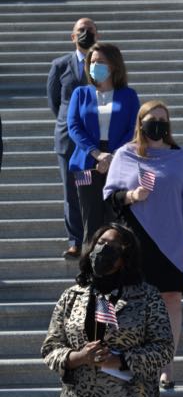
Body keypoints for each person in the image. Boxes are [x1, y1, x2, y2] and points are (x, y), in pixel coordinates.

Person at [103, 100, 183, 388]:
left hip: (174, 242)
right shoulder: (125, 155)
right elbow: (110, 198)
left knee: (171, 300)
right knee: (135, 303)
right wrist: (132, 196)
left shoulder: (181, 157)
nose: (158, 125)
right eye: (152, 119)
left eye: (163, 119)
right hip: (136, 241)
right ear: (141, 123)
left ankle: (166, 366)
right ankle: (134, 363)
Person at [41, 223, 174, 397]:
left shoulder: (147, 296)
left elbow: (164, 348)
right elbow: (50, 348)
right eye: (100, 242)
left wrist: (120, 361)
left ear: (124, 258)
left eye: (112, 246)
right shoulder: (72, 296)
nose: (103, 249)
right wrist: (79, 356)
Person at [67, 42, 140, 248]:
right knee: (90, 219)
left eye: (100, 62)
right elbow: (73, 127)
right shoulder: (80, 94)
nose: (94, 65)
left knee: (116, 219)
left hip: (119, 161)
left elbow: (133, 128)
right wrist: (97, 154)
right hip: (84, 165)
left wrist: (112, 157)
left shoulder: (129, 95)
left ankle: (117, 269)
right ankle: (89, 270)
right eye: (92, 62)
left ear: (114, 66)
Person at [47, 17, 98, 259]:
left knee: (91, 190)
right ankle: (75, 240)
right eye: (81, 30)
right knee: (71, 192)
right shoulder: (60, 65)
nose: (85, 33)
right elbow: (54, 101)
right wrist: (70, 121)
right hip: (68, 140)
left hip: (97, 141)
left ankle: (95, 237)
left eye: (89, 30)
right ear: (72, 36)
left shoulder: (103, 63)